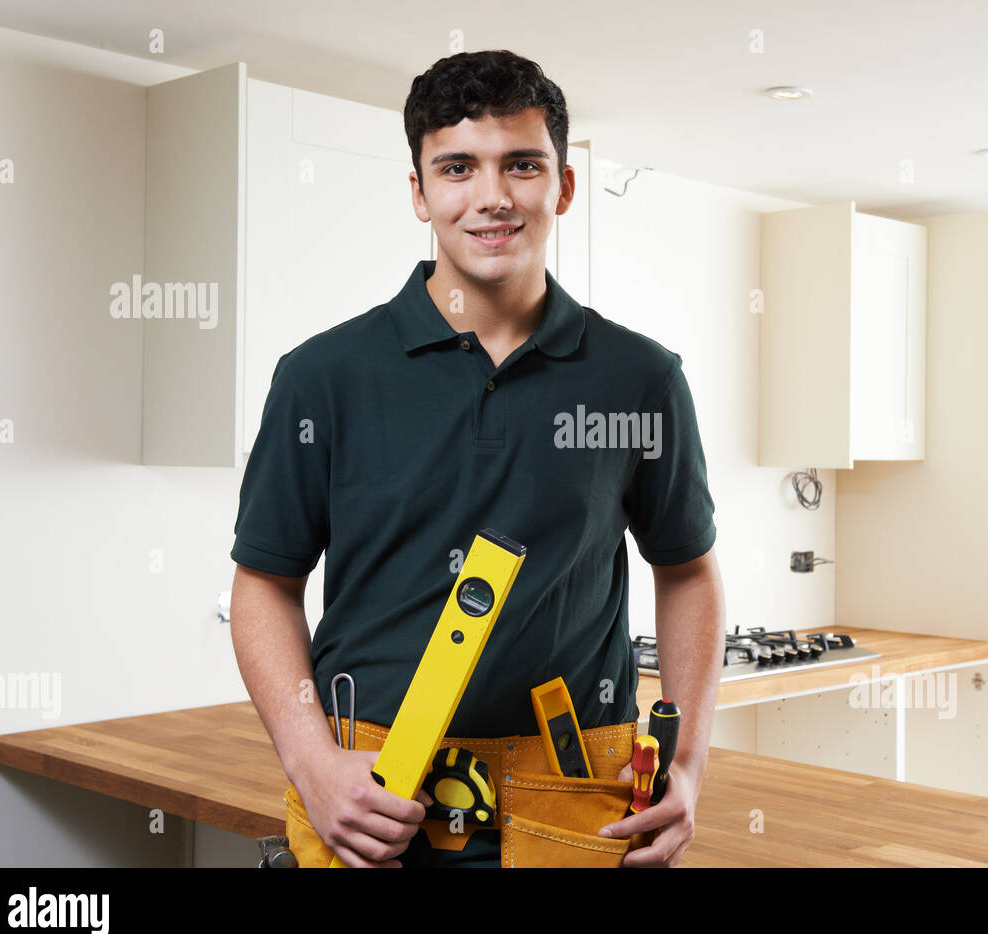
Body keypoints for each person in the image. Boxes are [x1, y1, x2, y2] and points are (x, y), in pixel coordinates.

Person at [229, 49, 725, 868]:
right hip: (373, 797)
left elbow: (688, 570)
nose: (492, 196)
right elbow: (263, 585)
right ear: (420, 194)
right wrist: (310, 760)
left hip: (578, 803)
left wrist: (689, 760)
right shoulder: (324, 376)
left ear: (562, 186)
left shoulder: (640, 379)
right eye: (457, 167)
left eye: (522, 164)